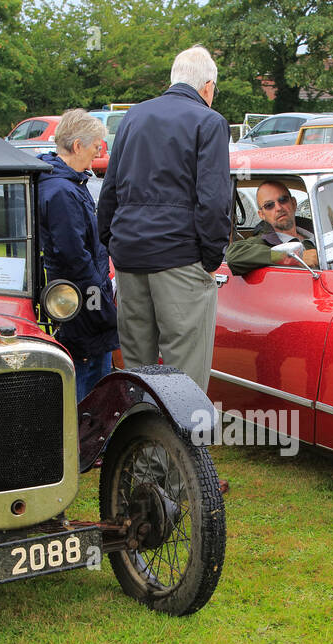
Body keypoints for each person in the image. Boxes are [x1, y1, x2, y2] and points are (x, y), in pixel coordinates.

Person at [97, 45, 232, 393]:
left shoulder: (133, 117)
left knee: (139, 371)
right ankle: (183, 447)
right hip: (179, 256)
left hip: (129, 254)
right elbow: (214, 200)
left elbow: (109, 188)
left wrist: (112, 240)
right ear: (208, 87)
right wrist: (211, 258)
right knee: (184, 379)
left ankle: (142, 444)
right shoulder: (209, 121)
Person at [37, 110, 119, 400]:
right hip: (81, 302)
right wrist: (103, 310)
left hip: (82, 295)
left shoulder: (66, 183)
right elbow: (73, 256)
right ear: (77, 146)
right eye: (96, 147)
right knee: (89, 386)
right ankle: (85, 442)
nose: (97, 154)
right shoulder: (61, 190)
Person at [224, 181, 319, 276]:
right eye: (269, 205)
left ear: (293, 203)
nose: (278, 208)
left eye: (283, 200)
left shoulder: (318, 229)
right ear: (262, 215)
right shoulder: (264, 242)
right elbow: (234, 255)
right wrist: (290, 257)